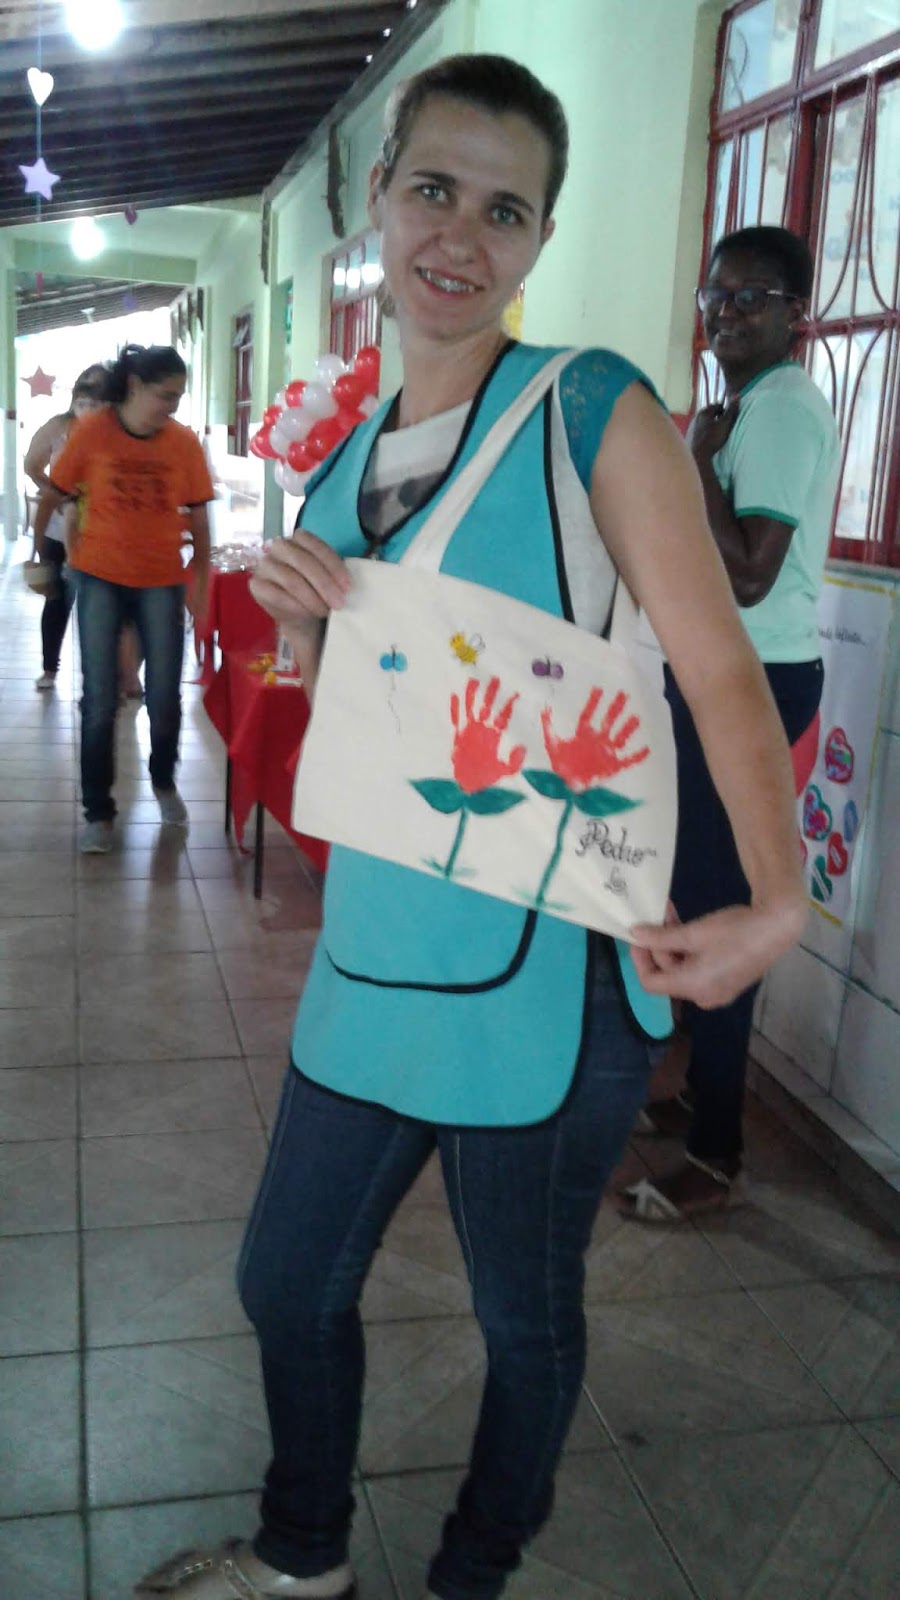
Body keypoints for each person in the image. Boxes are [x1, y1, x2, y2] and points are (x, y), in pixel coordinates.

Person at [136, 57, 807, 1600]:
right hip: (377, 953)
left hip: (550, 979)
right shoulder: (341, 460)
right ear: (378, 200)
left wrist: (778, 896)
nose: (462, 235)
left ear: (540, 239)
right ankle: (306, 1554)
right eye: (434, 189)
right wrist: (309, 629)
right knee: (286, 1280)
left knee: (522, 1317)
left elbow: (718, 665)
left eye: (506, 210)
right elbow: (372, 713)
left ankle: (472, 1572)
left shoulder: (592, 411)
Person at [622, 225, 840, 1224]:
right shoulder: (747, 405)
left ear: (797, 315)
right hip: (716, 676)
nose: (726, 314)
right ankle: (697, 1095)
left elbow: (749, 574)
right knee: (695, 887)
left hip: (756, 680)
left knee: (720, 903)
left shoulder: (782, 409)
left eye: (754, 297)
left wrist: (697, 459)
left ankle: (716, 1154)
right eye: (717, 295)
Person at [43, 344, 214, 853]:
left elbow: (199, 517)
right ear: (135, 386)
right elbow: (57, 491)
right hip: (99, 576)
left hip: (161, 579)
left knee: (163, 695)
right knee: (99, 700)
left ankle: (163, 782)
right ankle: (98, 812)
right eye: (166, 395)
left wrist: (200, 580)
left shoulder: (183, 443)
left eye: (180, 396)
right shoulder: (93, 432)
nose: (173, 406)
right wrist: (53, 556)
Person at [25, 364, 107, 690]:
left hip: (101, 532)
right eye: (84, 395)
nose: (90, 403)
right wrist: (57, 495)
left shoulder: (116, 431)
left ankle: (103, 676)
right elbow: (31, 465)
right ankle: (50, 668)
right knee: (56, 600)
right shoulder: (57, 426)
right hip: (58, 530)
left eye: (98, 396)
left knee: (99, 606)